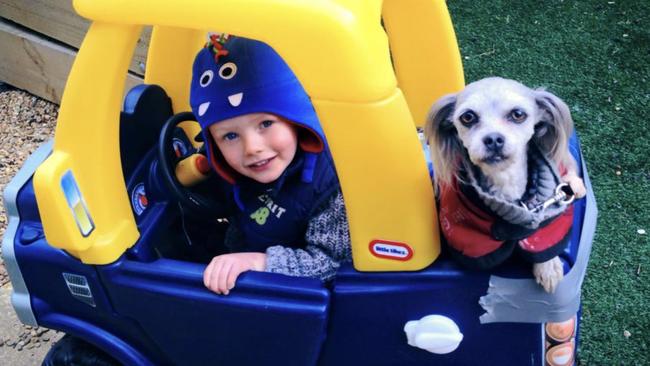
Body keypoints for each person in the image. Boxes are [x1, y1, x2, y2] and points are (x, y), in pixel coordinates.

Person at [189, 34, 351, 295]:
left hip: (294, 302)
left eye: (266, 124)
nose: (251, 148)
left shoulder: (330, 187)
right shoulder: (234, 164)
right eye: (230, 136)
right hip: (244, 256)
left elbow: (331, 265)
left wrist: (259, 262)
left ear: (295, 119)